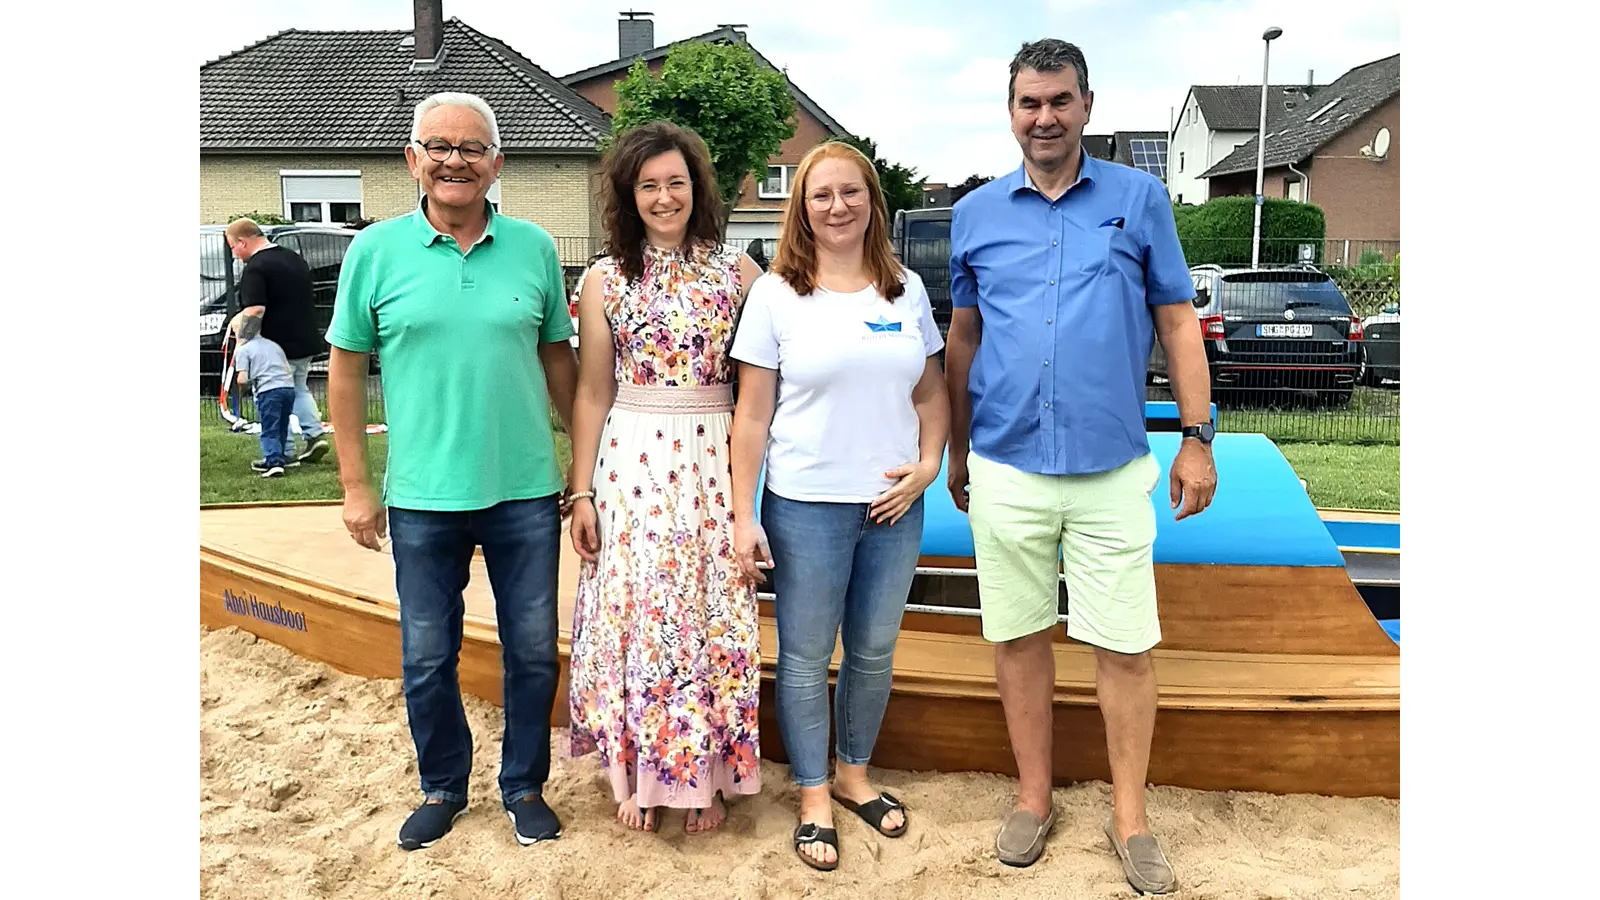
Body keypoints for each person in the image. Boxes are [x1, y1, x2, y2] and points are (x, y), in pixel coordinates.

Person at [944, 40, 1217, 894]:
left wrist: (1198, 436)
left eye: (1059, 101)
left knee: (1125, 645)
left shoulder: (1139, 200)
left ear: (1088, 106)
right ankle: (1034, 798)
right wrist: (957, 448)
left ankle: (1130, 817)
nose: (1044, 117)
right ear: (1011, 110)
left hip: (1109, 468)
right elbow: (964, 339)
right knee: (1019, 637)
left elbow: (1177, 323)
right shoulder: (977, 213)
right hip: (1007, 464)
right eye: (1029, 102)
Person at [323, 91, 579, 852]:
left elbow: (560, 363)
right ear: (413, 160)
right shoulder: (373, 253)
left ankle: (524, 785)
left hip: (526, 490)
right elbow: (343, 373)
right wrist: (357, 486)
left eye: (471, 149)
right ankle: (442, 786)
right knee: (428, 655)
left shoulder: (533, 248)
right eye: (438, 145)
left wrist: (585, 464)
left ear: (496, 165)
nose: (454, 160)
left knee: (532, 650)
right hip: (423, 498)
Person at [729, 140, 950, 872]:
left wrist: (926, 467)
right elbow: (752, 417)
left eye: (851, 192)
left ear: (872, 201)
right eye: (821, 195)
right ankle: (814, 792)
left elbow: (930, 393)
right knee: (802, 657)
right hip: (806, 505)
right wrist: (743, 512)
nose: (837, 206)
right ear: (803, 207)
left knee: (875, 652)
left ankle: (855, 773)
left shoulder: (905, 289)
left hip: (891, 508)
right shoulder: (776, 295)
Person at [565, 120, 765, 836]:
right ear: (628, 193)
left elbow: (763, 386)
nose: (663, 196)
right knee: (641, 615)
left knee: (709, 611)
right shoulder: (602, 279)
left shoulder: (739, 273)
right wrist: (581, 490)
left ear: (697, 187)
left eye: (675, 181)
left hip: (713, 456)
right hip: (633, 465)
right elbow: (591, 391)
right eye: (648, 184)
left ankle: (704, 777)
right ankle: (639, 773)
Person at [226, 217, 331, 466]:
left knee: (271, 396)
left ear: (243, 241)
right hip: (304, 338)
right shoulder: (292, 258)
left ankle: (283, 451)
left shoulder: (256, 267)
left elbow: (255, 310)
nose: (234, 254)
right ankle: (314, 434)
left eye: (233, 247)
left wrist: (243, 342)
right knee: (298, 388)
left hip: (275, 346)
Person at [228, 310, 296, 478]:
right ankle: (282, 455)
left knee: (269, 427)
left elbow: (242, 379)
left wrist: (243, 390)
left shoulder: (244, 350)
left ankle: (273, 461)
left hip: (268, 390)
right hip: (288, 388)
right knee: (281, 424)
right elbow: (286, 368)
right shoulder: (274, 345)